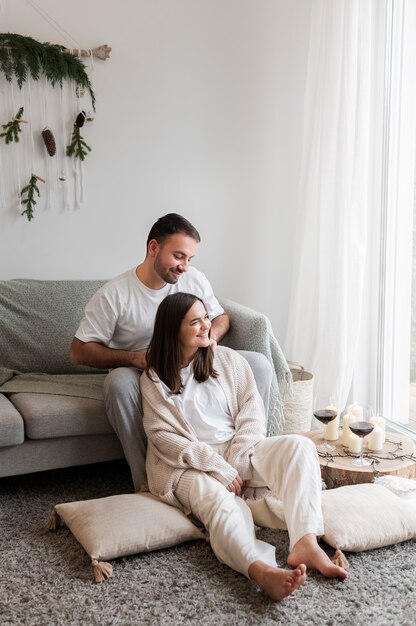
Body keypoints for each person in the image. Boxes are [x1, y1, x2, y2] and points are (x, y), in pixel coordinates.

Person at [140, 292, 349, 602]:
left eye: (206, 318)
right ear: (173, 330)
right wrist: (218, 468)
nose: (205, 326)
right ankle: (260, 570)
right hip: (189, 466)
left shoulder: (228, 360)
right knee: (221, 505)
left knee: (299, 448)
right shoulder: (154, 379)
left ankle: (305, 541)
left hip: (239, 450)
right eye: (194, 322)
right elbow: (164, 438)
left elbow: (252, 414)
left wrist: (237, 461)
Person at [70, 213, 272, 491]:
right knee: (118, 384)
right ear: (153, 248)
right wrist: (132, 358)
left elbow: (221, 317)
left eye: (189, 259)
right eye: (178, 256)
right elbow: (79, 351)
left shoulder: (193, 279)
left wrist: (209, 336)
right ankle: (147, 482)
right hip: (143, 368)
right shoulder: (114, 295)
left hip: (192, 360)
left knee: (258, 363)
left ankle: (251, 458)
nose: (184, 267)